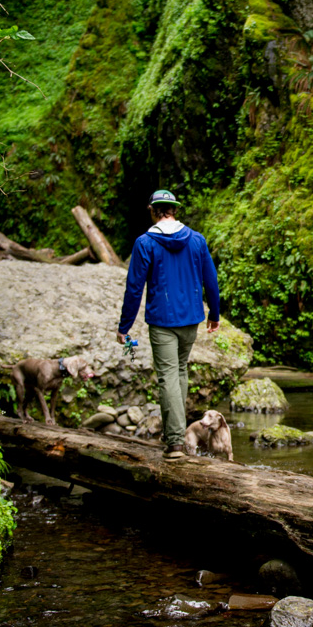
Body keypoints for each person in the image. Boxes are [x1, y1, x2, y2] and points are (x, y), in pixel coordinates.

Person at [118, 189, 221, 460]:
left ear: (153, 210)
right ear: (174, 210)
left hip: (162, 321)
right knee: (180, 372)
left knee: (168, 376)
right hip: (191, 319)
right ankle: (176, 434)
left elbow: (134, 287)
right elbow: (211, 280)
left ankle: (175, 443)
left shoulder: (145, 242)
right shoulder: (197, 240)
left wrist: (124, 326)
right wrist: (215, 314)